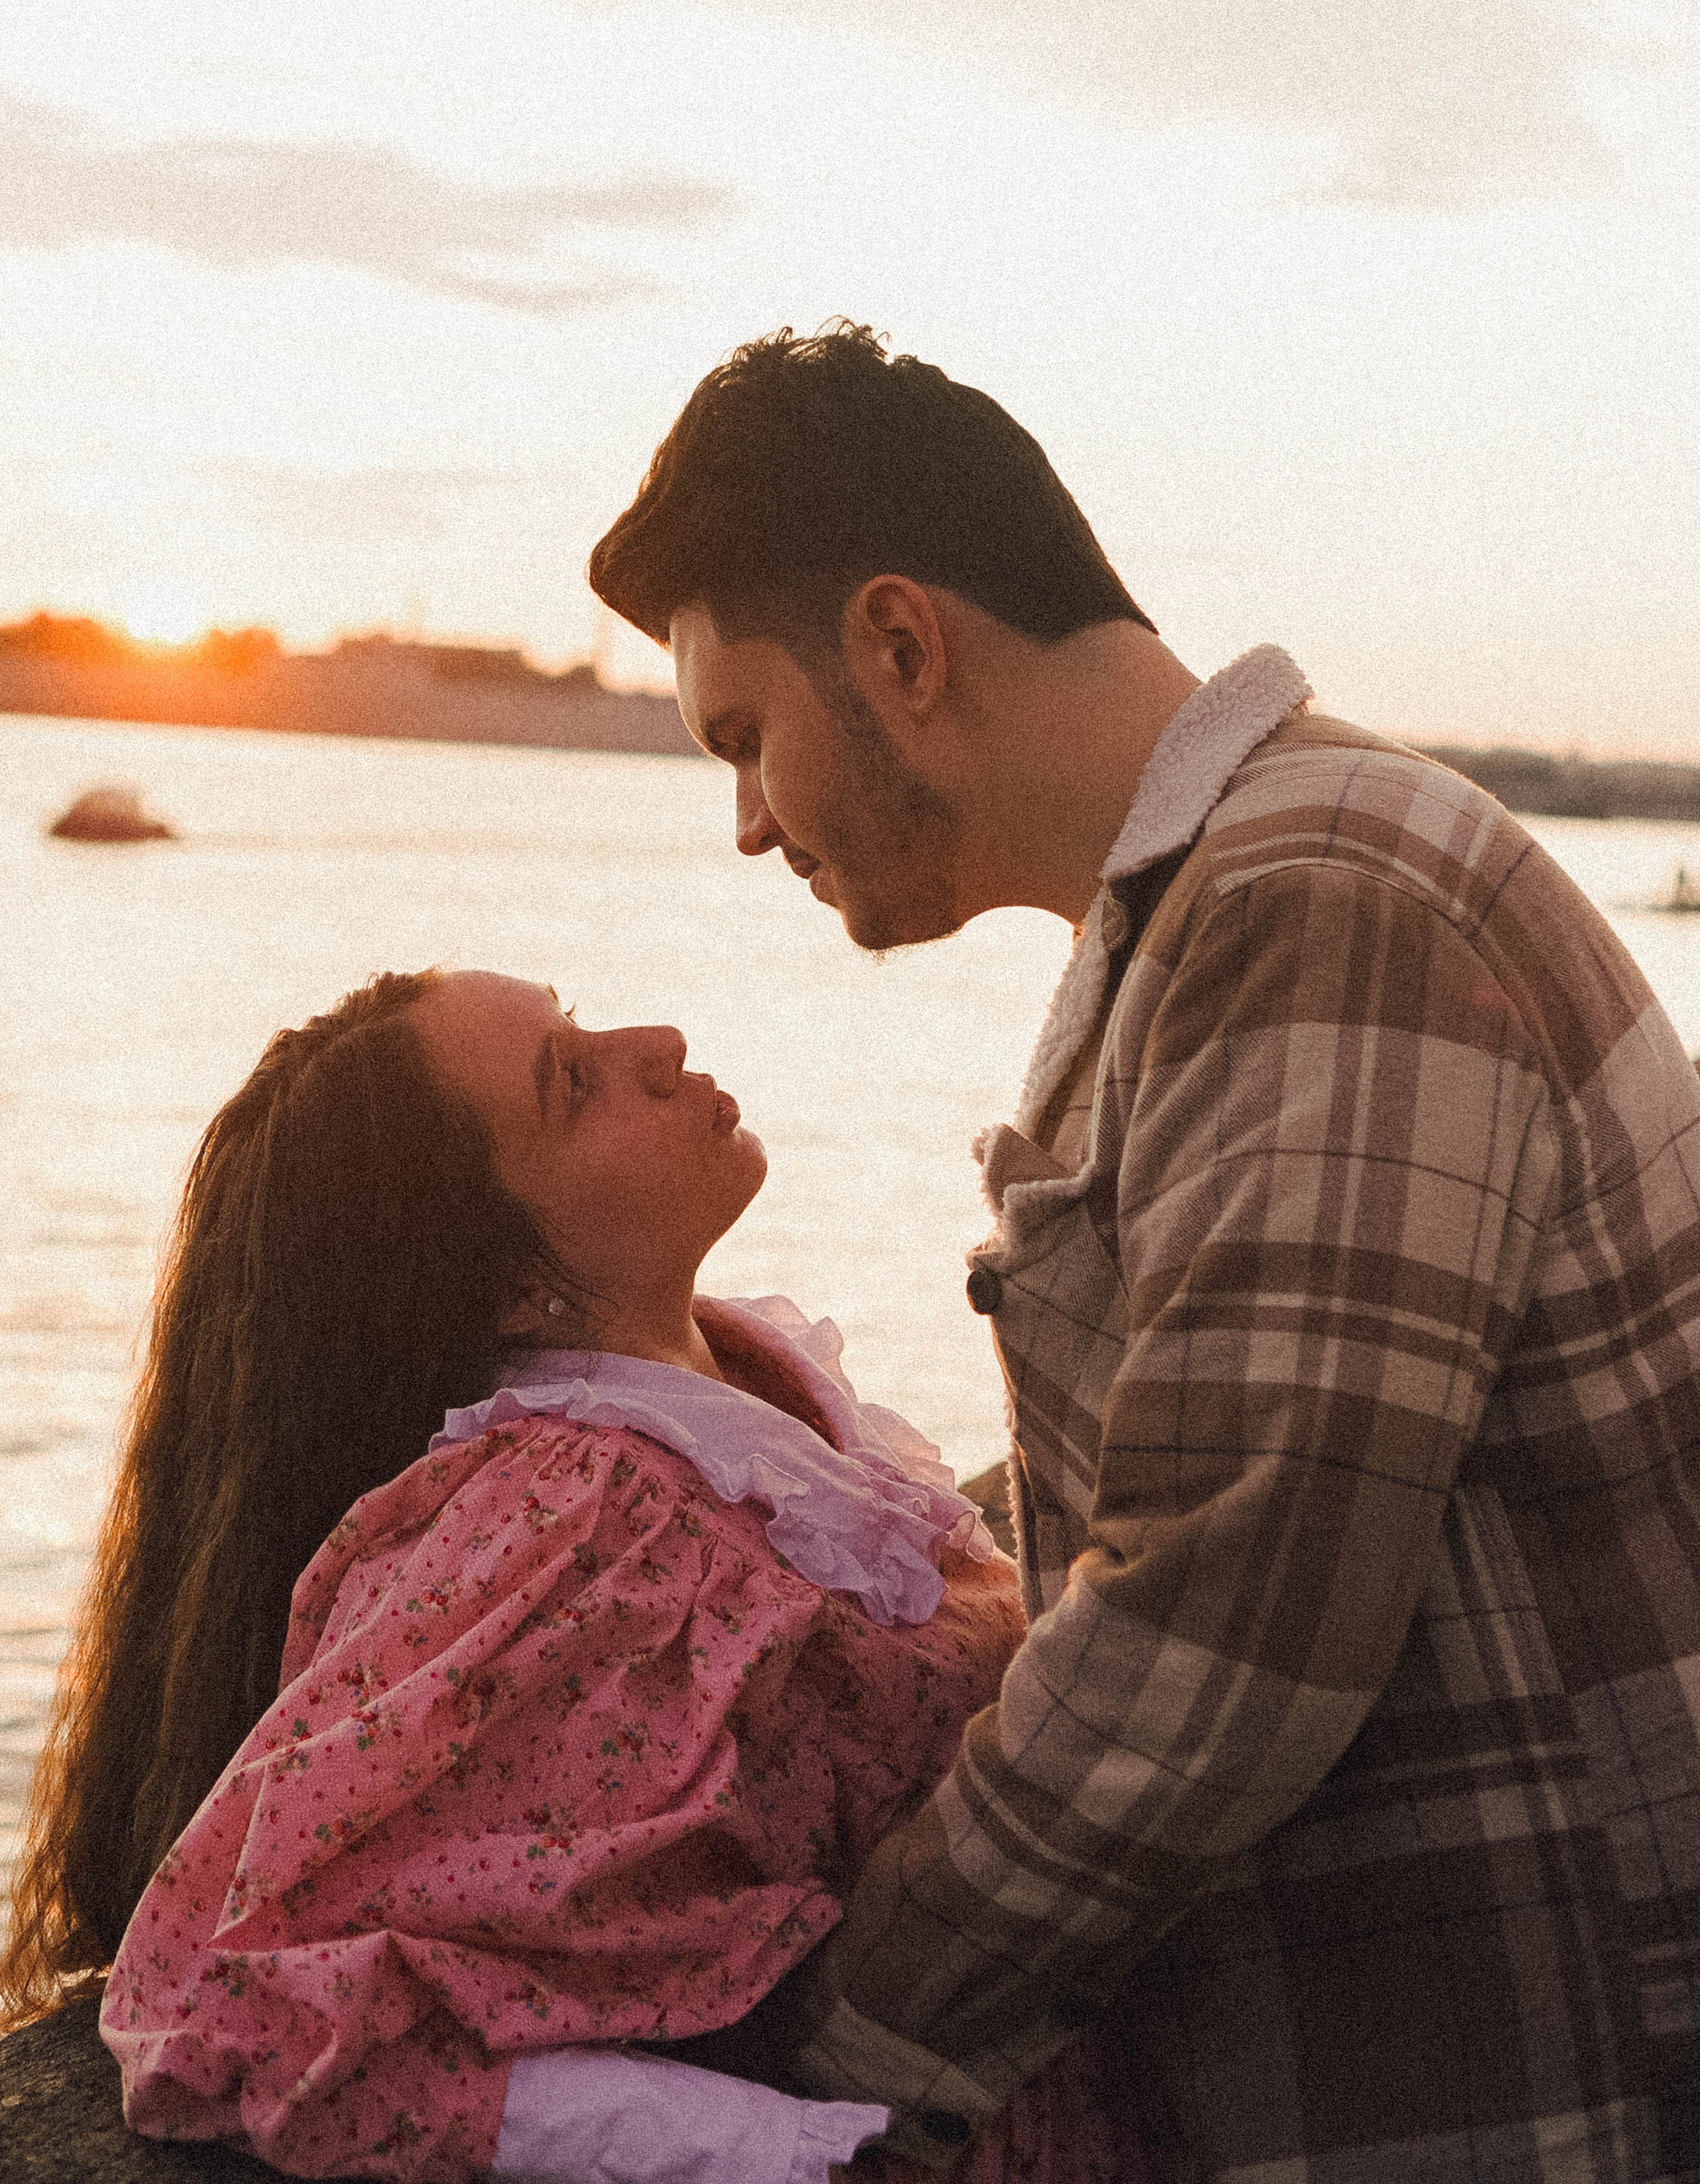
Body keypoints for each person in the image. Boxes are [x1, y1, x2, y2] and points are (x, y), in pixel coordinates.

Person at [587, 322, 1700, 2183]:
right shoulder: (1220, 912)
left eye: (743, 738)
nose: (747, 824)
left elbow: (1224, 1616)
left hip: (1546, 2071)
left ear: (897, 646)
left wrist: (834, 2040)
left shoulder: (1313, 908)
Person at [0, 965, 1161, 2184]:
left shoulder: (747, 1393)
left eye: (584, 1025)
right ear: (510, 1281)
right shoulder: (576, 1521)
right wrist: (794, 2156)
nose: (656, 1041)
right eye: (574, 1081)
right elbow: (236, 2014)